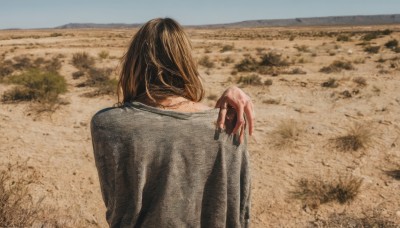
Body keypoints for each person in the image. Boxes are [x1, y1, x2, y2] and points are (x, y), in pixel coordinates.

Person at [91, 18, 251, 228]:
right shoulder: (229, 124)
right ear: (185, 62)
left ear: (134, 62)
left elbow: (116, 203)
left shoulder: (107, 124)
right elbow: (240, 208)